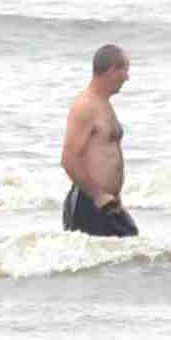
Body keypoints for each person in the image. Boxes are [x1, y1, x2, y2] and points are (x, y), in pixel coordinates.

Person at [60, 43, 133, 238]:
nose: (127, 77)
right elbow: (69, 158)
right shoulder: (85, 106)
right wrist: (99, 195)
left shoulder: (104, 104)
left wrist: (113, 198)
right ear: (111, 71)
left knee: (129, 252)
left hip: (107, 203)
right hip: (88, 202)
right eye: (124, 70)